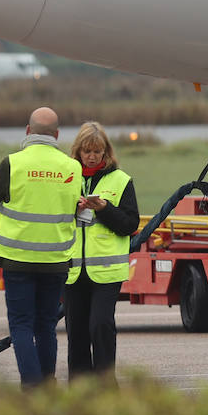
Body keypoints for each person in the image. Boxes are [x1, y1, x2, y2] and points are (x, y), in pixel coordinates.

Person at [0, 106, 82, 386]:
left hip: (17, 259)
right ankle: (48, 382)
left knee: (21, 325)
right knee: (46, 326)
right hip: (56, 260)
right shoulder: (72, 167)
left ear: (28, 132)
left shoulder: (12, 163)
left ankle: (32, 387)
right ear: (57, 135)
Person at [64, 122, 139, 380]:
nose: (92, 156)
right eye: (87, 151)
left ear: (106, 152)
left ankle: (106, 384)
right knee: (76, 333)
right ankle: (80, 389)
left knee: (101, 325)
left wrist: (104, 208)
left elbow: (130, 224)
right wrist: (70, 210)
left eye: (97, 151)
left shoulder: (121, 180)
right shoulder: (67, 179)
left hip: (107, 272)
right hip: (73, 271)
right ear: (78, 152)